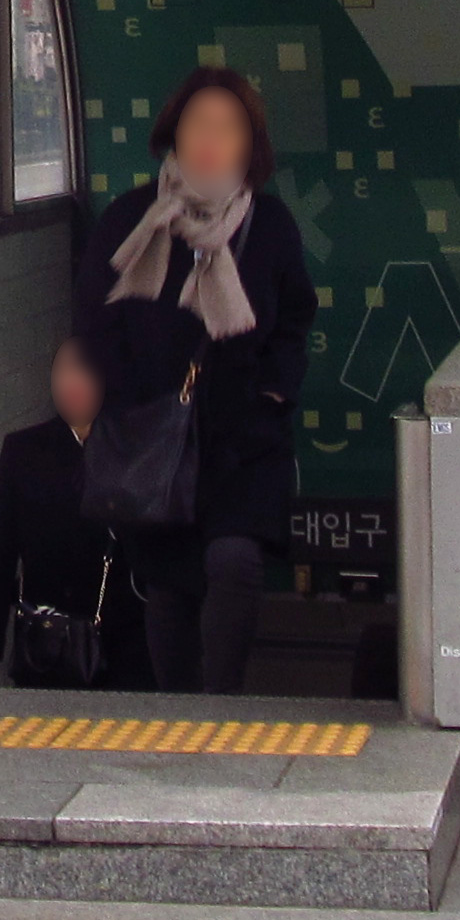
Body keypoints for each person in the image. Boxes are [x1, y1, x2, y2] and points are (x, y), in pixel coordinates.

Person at [75, 65, 317, 695]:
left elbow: (295, 320)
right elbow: (94, 319)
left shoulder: (269, 224)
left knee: (235, 561)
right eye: (198, 124)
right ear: (173, 133)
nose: (210, 139)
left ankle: (222, 702)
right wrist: (128, 397)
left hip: (244, 439)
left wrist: (273, 391)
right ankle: (179, 711)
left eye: (228, 128)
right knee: (170, 587)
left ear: (250, 146)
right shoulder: (133, 218)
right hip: (157, 437)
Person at [0, 338, 146, 689]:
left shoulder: (136, 446)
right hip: (48, 637)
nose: (72, 382)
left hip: (124, 636)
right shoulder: (24, 450)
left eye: (84, 371)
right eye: (64, 370)